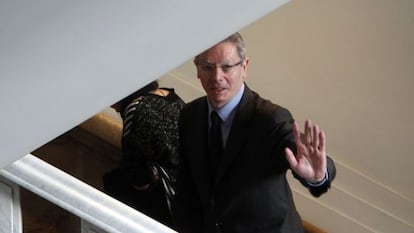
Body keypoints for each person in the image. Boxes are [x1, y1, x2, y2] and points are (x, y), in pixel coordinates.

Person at [173, 32, 336, 233]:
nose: (217, 77)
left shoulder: (269, 118)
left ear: (244, 67)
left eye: (227, 67)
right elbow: (186, 192)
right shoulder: (190, 116)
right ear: (197, 69)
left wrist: (317, 177)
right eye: (207, 67)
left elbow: (303, 156)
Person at [103, 80, 185, 227]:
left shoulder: (135, 109)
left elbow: (135, 172)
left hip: (173, 202)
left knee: (113, 183)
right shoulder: (171, 96)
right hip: (190, 193)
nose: (111, 106)